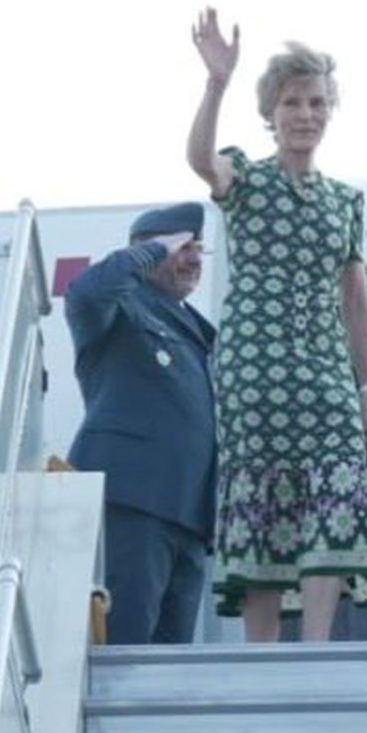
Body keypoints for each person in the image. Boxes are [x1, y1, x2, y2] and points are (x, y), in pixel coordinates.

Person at [186, 7, 367, 642]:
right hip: (253, 366)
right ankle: (261, 655)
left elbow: (357, 297)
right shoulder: (248, 178)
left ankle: (314, 649)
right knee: (260, 497)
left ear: (329, 111)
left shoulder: (345, 200)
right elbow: (201, 160)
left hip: (323, 366)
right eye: (292, 102)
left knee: (338, 486)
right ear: (272, 112)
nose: (305, 114)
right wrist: (215, 83)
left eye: (316, 102)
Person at [65, 203, 217, 645]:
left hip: (189, 517)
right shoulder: (122, 308)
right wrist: (152, 250)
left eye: (198, 249)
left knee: (170, 670)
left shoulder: (195, 330)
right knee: (125, 645)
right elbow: (85, 293)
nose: (192, 259)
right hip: (135, 502)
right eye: (181, 248)